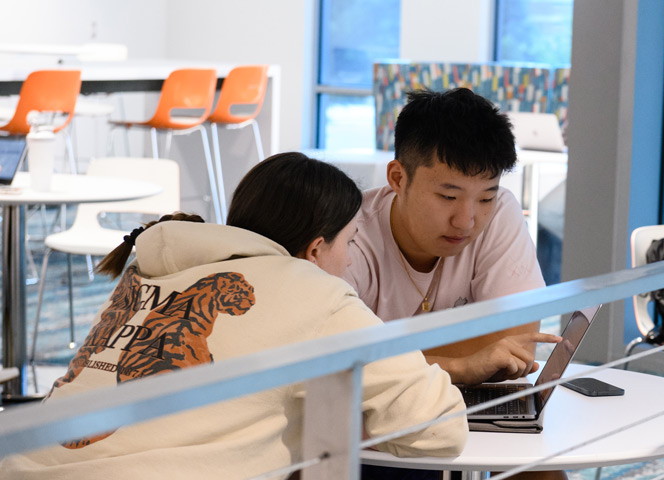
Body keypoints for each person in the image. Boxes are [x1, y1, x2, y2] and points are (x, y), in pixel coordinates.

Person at [0, 153, 467, 479]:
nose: (350, 260)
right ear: (317, 247)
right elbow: (439, 429)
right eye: (350, 241)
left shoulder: (149, 272)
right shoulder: (315, 290)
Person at [344, 88, 564, 480]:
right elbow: (344, 370)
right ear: (398, 178)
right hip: (362, 425)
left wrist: (391, 354)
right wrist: (464, 365)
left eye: (485, 198)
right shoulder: (349, 237)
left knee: (541, 473)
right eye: (448, 195)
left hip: (447, 408)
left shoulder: (499, 215)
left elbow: (515, 346)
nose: (466, 221)